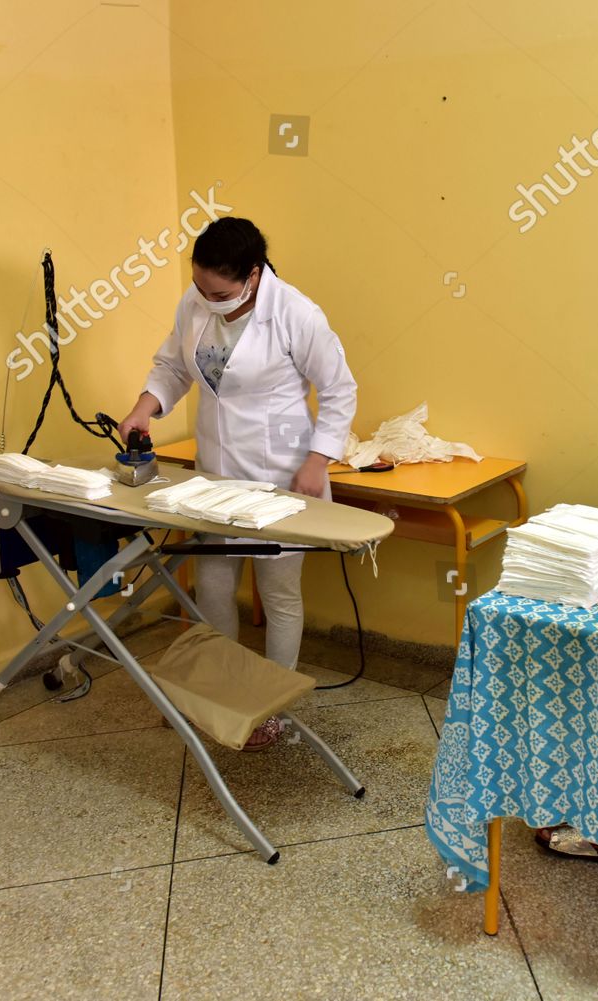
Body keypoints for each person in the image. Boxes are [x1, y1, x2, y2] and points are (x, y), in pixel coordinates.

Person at [118, 217, 357, 749]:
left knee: (277, 594)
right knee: (216, 585)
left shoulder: (296, 314)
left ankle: (276, 709)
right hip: (216, 473)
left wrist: (319, 460)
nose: (207, 298)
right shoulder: (197, 299)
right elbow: (172, 367)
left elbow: (339, 391)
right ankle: (219, 693)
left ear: (253, 275)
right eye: (200, 288)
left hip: (281, 474)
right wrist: (144, 408)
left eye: (219, 292)